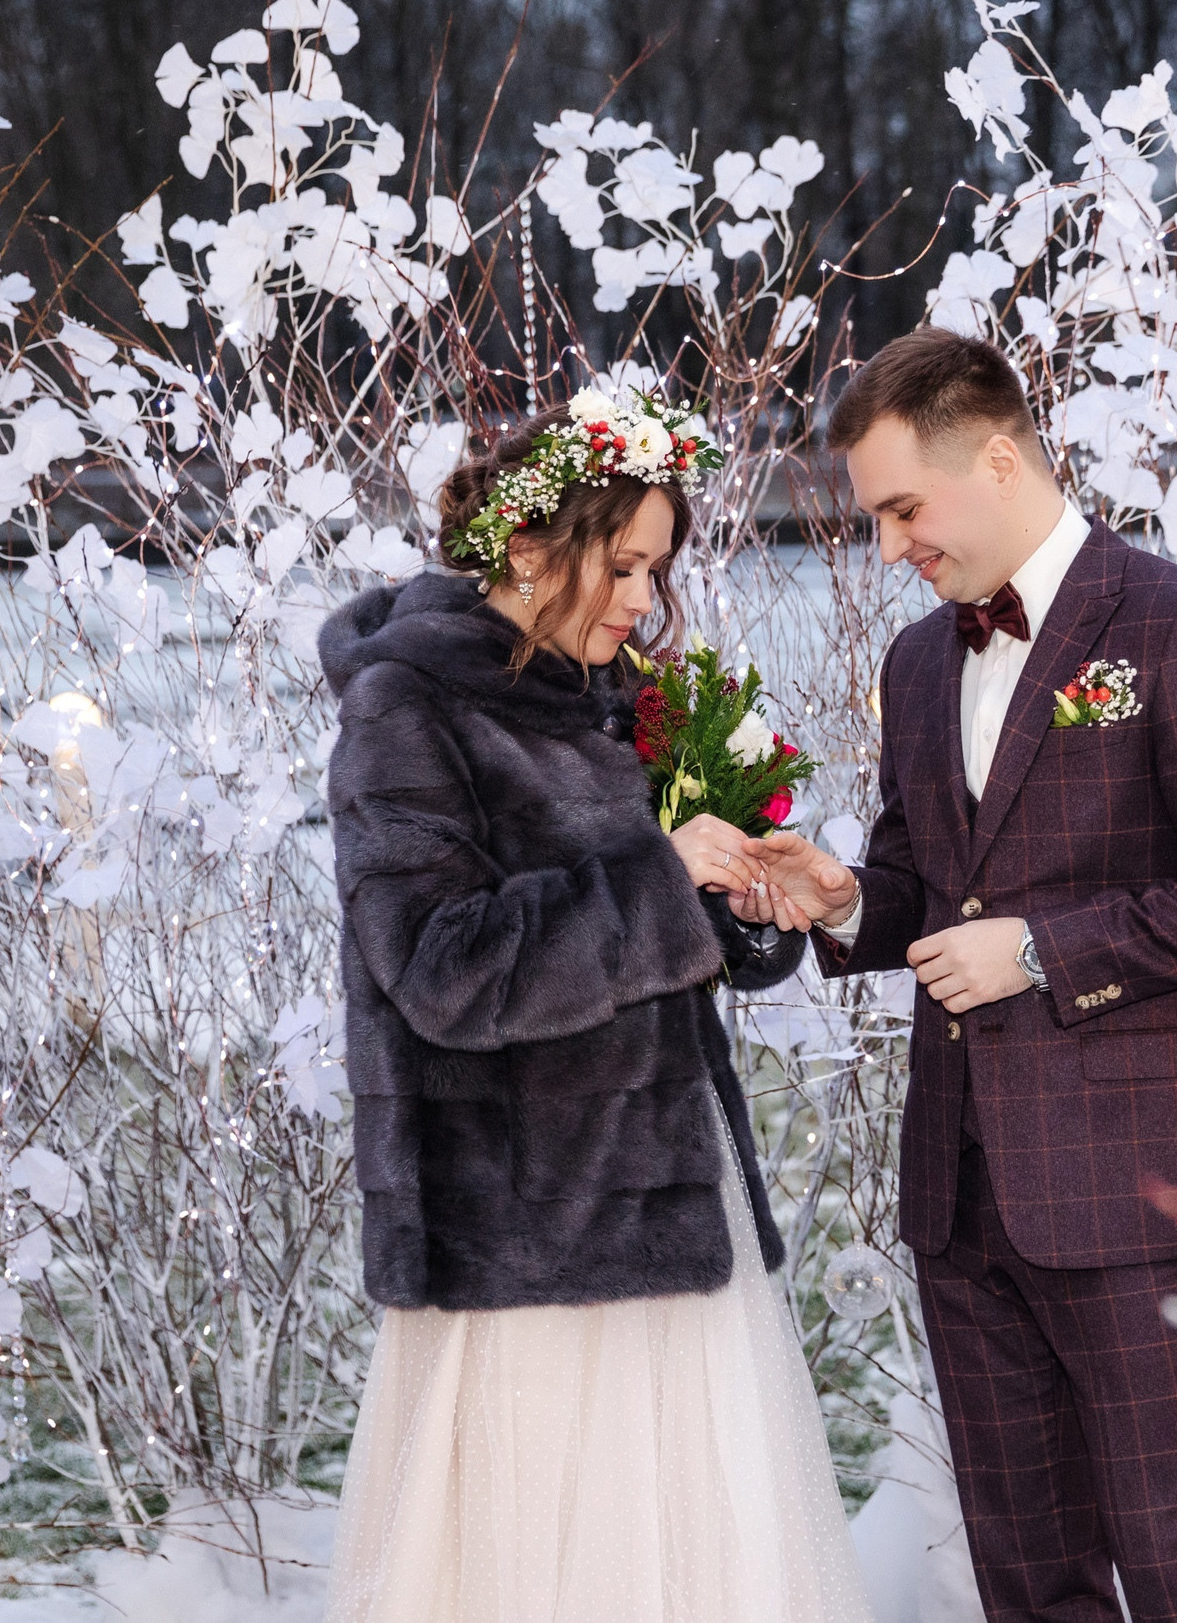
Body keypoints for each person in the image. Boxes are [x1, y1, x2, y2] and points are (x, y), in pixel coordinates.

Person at [758, 327, 1177, 1622]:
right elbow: (921, 884)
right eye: (877, 516)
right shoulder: (915, 663)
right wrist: (843, 896)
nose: (891, 544)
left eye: (904, 508)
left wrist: (1038, 949)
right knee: (1028, 1577)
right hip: (962, 1192)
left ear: (999, 459)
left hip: (1135, 1187)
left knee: (1176, 1561)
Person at [316, 400, 871, 1623]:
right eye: (620, 564)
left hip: (677, 1209)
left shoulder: (626, 696)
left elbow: (681, 949)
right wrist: (667, 882)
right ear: (527, 547)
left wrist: (759, 905)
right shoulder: (404, 706)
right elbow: (440, 968)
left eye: (655, 568)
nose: (640, 596)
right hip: (525, 1236)